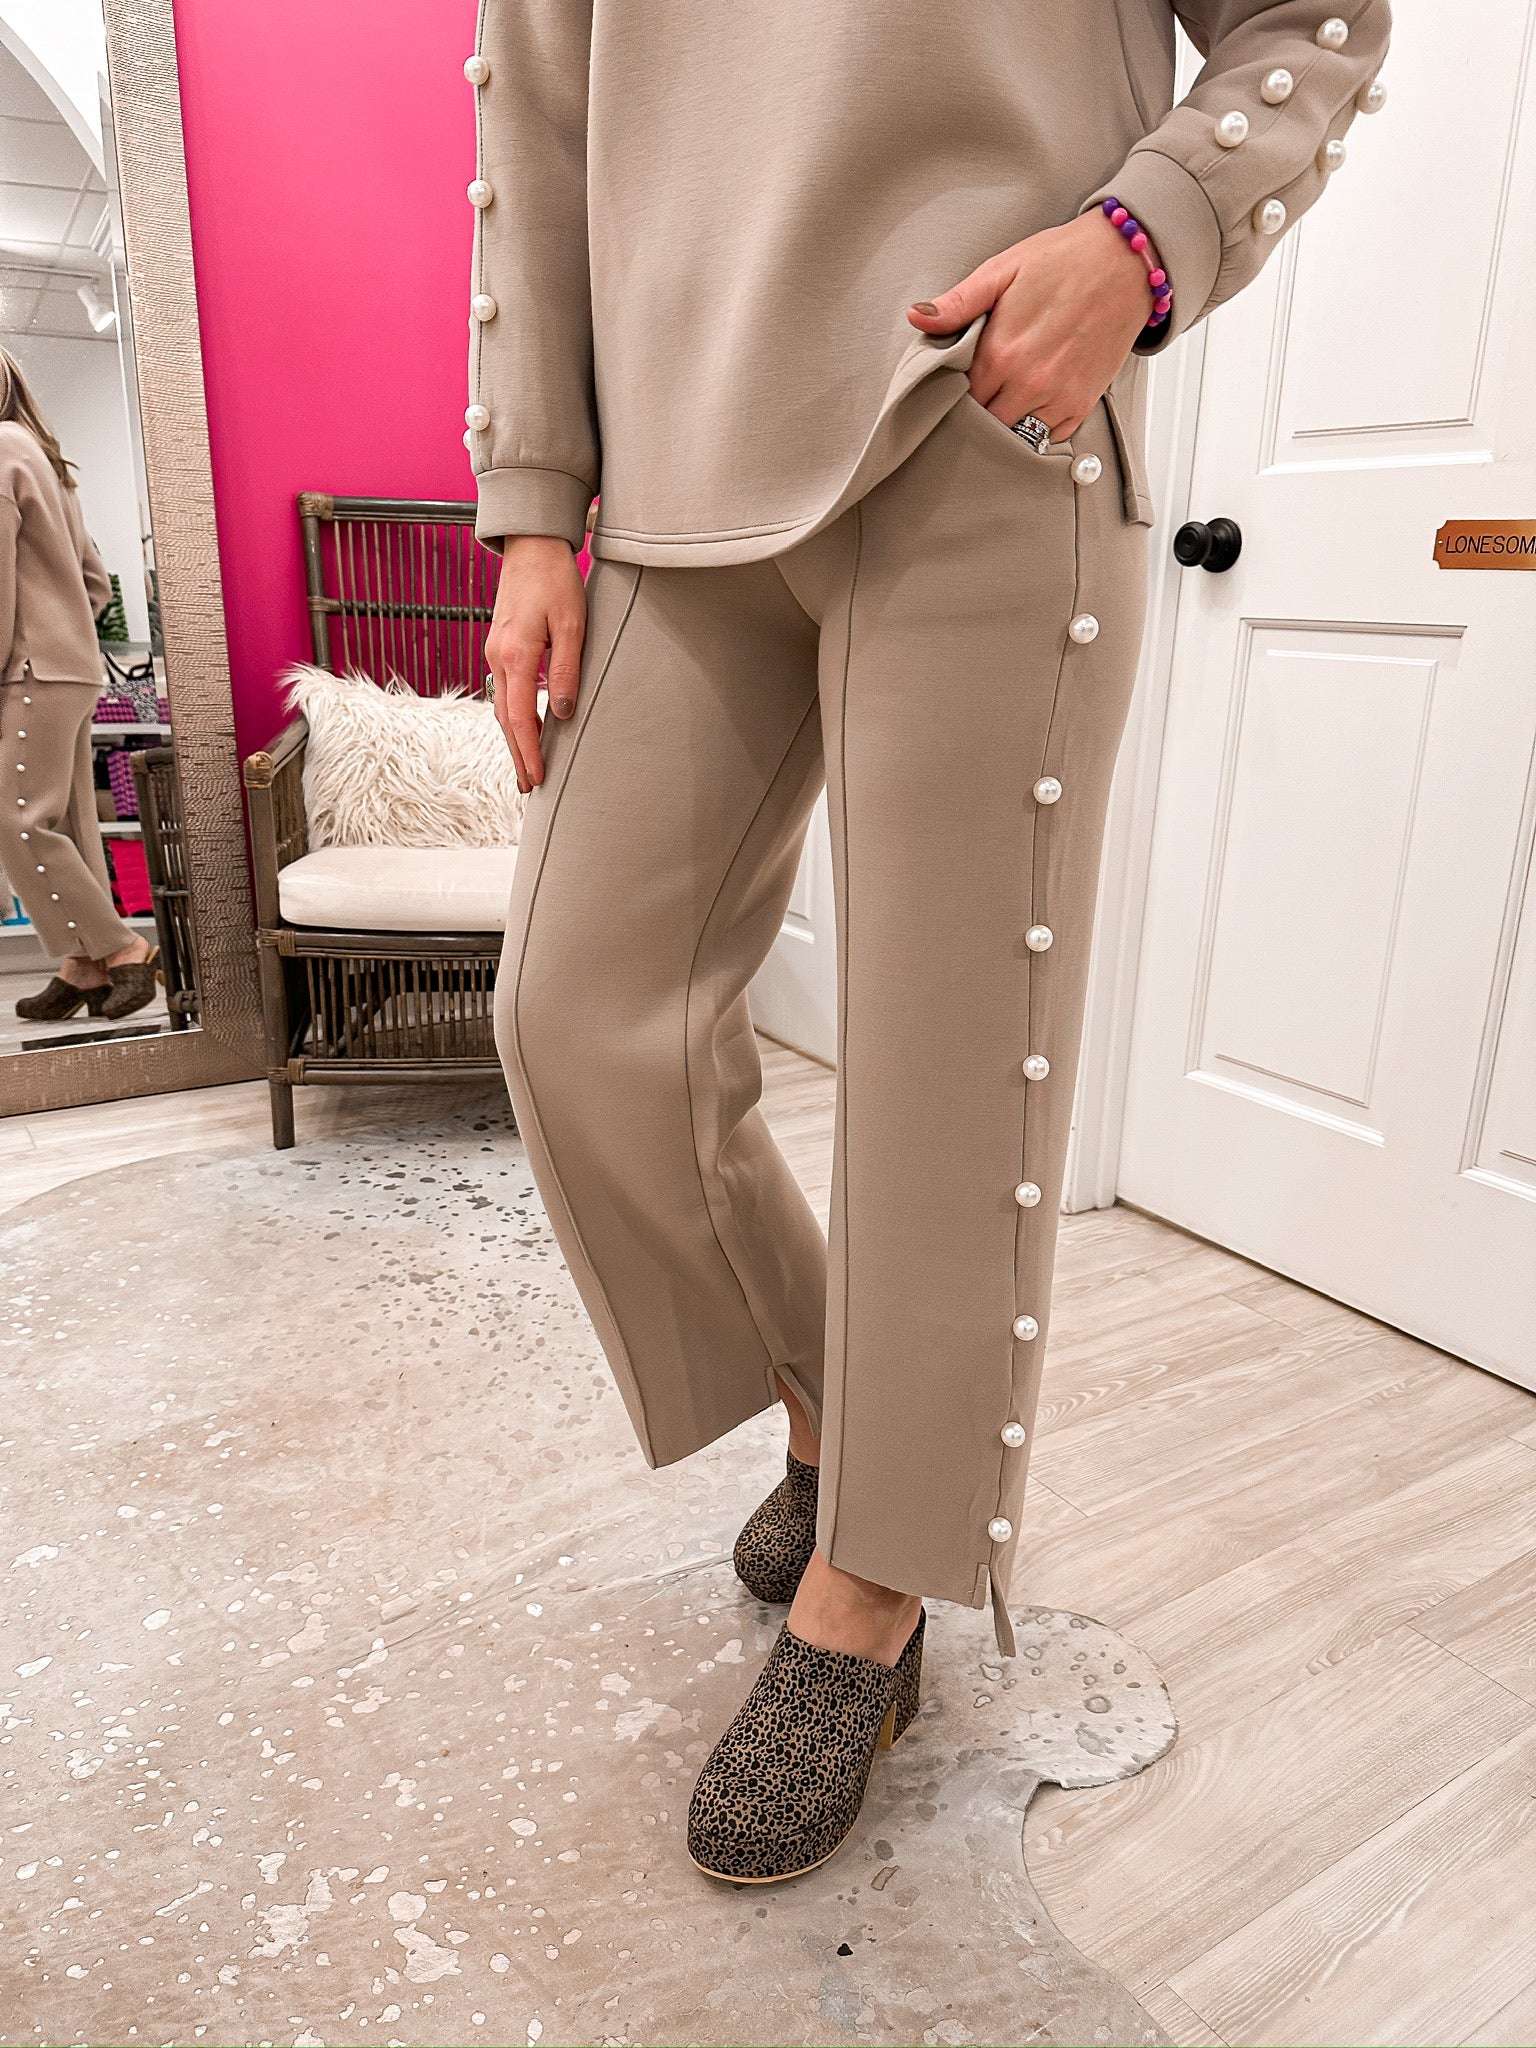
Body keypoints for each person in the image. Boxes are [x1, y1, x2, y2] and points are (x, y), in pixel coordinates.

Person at [471, 0, 1393, 1883]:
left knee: (944, 1075)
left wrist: (1145, 236)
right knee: (575, 1016)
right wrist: (531, 508)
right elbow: (540, 118)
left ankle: (874, 1587)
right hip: (669, 478)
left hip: (983, 416)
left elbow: (1313, 20)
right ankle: (839, 1410)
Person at [0, 348, 158, 1025]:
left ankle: (122, 949)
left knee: (17, 818)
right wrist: (66, 631)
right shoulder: (42, 455)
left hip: (29, 669)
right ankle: (82, 963)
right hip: (68, 667)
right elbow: (95, 582)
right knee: (67, 822)